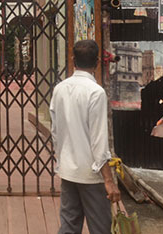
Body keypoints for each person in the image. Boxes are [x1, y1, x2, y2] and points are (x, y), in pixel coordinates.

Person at [50, 40, 120, 234]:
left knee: (69, 226)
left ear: (73, 60)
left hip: (68, 169)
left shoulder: (60, 89)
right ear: (97, 63)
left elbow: (55, 131)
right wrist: (108, 180)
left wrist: (61, 159)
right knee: (100, 227)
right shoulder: (96, 93)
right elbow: (98, 140)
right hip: (91, 173)